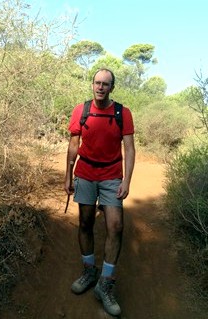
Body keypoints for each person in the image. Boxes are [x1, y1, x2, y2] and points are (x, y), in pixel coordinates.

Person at [64, 68, 135, 316]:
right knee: (85, 223)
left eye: (106, 84)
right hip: (85, 174)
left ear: (112, 87)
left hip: (111, 176)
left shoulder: (122, 113)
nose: (101, 87)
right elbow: (74, 144)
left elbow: (129, 147)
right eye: (97, 82)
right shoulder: (81, 110)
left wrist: (126, 180)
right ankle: (88, 270)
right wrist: (68, 175)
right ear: (92, 85)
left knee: (115, 226)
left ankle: (104, 284)